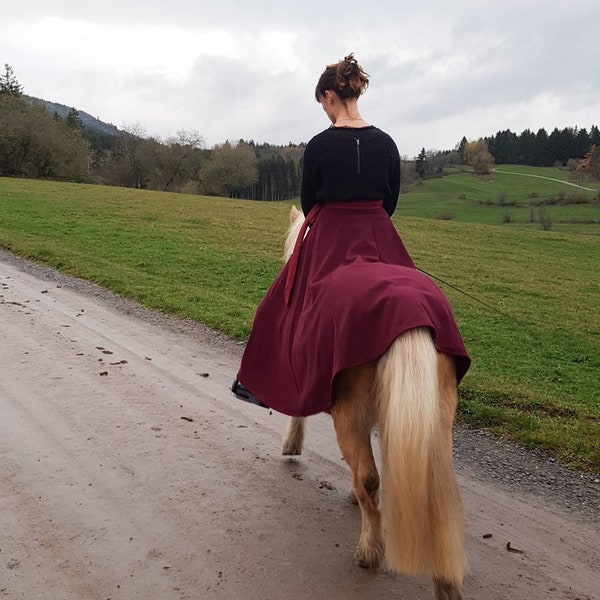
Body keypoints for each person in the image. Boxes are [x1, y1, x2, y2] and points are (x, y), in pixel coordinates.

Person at [232, 54, 469, 416]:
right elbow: (389, 202)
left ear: (329, 96)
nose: (324, 111)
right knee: (410, 283)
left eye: (322, 104)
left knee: (277, 308)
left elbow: (309, 202)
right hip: (379, 234)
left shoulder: (319, 146)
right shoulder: (387, 144)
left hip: (331, 239)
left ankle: (263, 386)